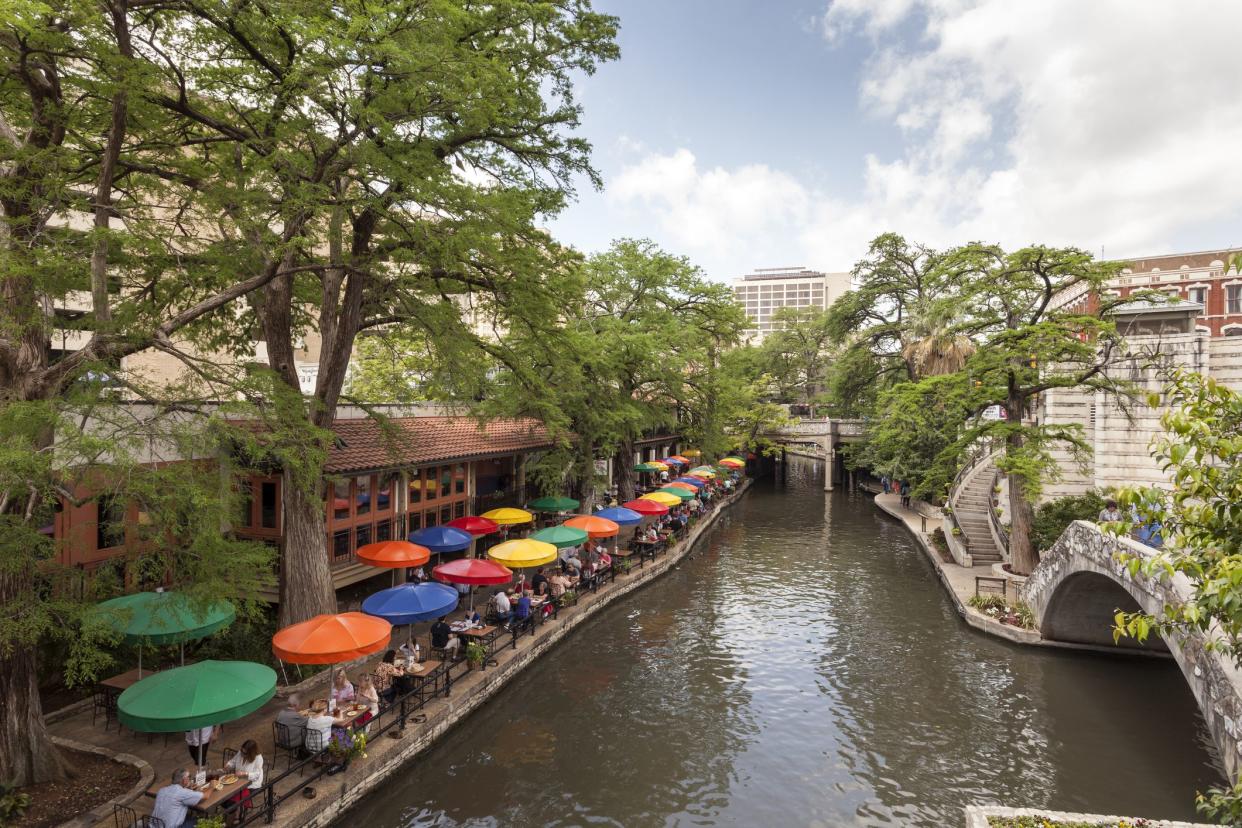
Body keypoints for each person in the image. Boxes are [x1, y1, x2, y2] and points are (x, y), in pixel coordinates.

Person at [224, 739, 263, 822]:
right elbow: (233, 762)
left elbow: (257, 775)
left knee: (239, 793)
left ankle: (237, 813)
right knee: (226, 790)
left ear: (251, 753)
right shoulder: (240, 753)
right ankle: (233, 809)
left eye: (244, 753)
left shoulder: (258, 758)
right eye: (241, 751)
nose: (242, 754)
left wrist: (244, 773)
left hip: (252, 783)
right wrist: (228, 765)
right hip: (238, 781)